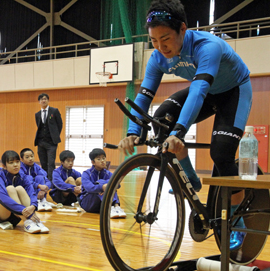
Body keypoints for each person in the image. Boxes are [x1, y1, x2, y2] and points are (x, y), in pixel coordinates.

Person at [118, 0, 252, 251]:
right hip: (207, 91)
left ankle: (236, 220)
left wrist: (179, 132)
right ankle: (191, 177)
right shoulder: (158, 57)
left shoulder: (207, 46)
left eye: (165, 38)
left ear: (183, 29)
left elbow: (199, 90)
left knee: (221, 153)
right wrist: (133, 131)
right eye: (154, 41)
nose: (160, 47)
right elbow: (144, 95)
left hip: (233, 91)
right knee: (162, 117)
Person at [0, 150, 48, 234]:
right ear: (4, 166)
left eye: (17, 162)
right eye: (11, 163)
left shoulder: (23, 176)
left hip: (16, 216)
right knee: (10, 188)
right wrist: (24, 211)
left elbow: (32, 193)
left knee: (19, 188)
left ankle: (35, 221)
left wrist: (33, 206)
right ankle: (28, 222)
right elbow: (3, 198)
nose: (15, 165)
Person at [79, 149, 126, 218]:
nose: (102, 161)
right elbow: (89, 188)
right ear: (93, 162)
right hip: (88, 203)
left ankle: (116, 207)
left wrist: (106, 186)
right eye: (99, 159)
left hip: (101, 204)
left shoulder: (108, 173)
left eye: (104, 158)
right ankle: (112, 207)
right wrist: (102, 187)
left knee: (111, 185)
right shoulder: (86, 173)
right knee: (103, 185)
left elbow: (118, 185)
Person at [34, 93, 63, 181]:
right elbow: (39, 126)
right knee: (43, 162)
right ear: (39, 102)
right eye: (42, 99)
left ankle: (51, 181)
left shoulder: (54, 111)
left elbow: (60, 124)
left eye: (45, 99)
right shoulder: (37, 114)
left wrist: (55, 135)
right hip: (41, 142)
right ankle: (45, 179)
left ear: (48, 100)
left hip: (51, 142)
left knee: (51, 162)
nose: (43, 100)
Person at [19, 148, 52, 212]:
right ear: (22, 159)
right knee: (29, 178)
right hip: (26, 193)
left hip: (40, 192)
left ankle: (42, 201)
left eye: (32, 156)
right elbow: (24, 181)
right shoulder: (20, 167)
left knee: (40, 177)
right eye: (27, 157)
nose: (30, 158)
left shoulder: (36, 167)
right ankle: (35, 201)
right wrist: (39, 186)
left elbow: (47, 180)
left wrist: (44, 189)